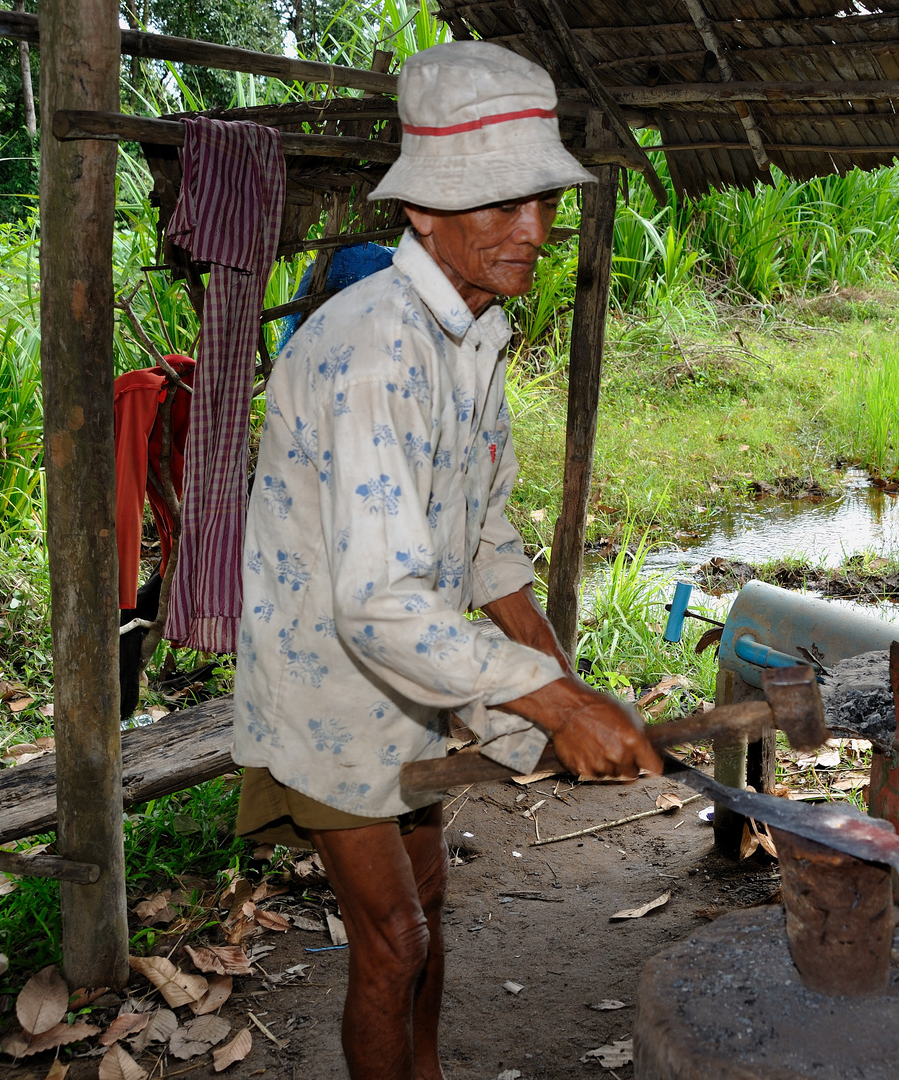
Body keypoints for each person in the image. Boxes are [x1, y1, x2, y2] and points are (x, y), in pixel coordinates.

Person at [231, 40, 663, 1080]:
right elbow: (378, 603)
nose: (533, 230)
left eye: (542, 203)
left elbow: (486, 543)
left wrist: (560, 676)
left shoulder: (473, 334)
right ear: (424, 213)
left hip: (414, 691)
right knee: (394, 945)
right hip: (332, 688)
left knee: (432, 914)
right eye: (499, 205)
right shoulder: (375, 350)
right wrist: (553, 710)